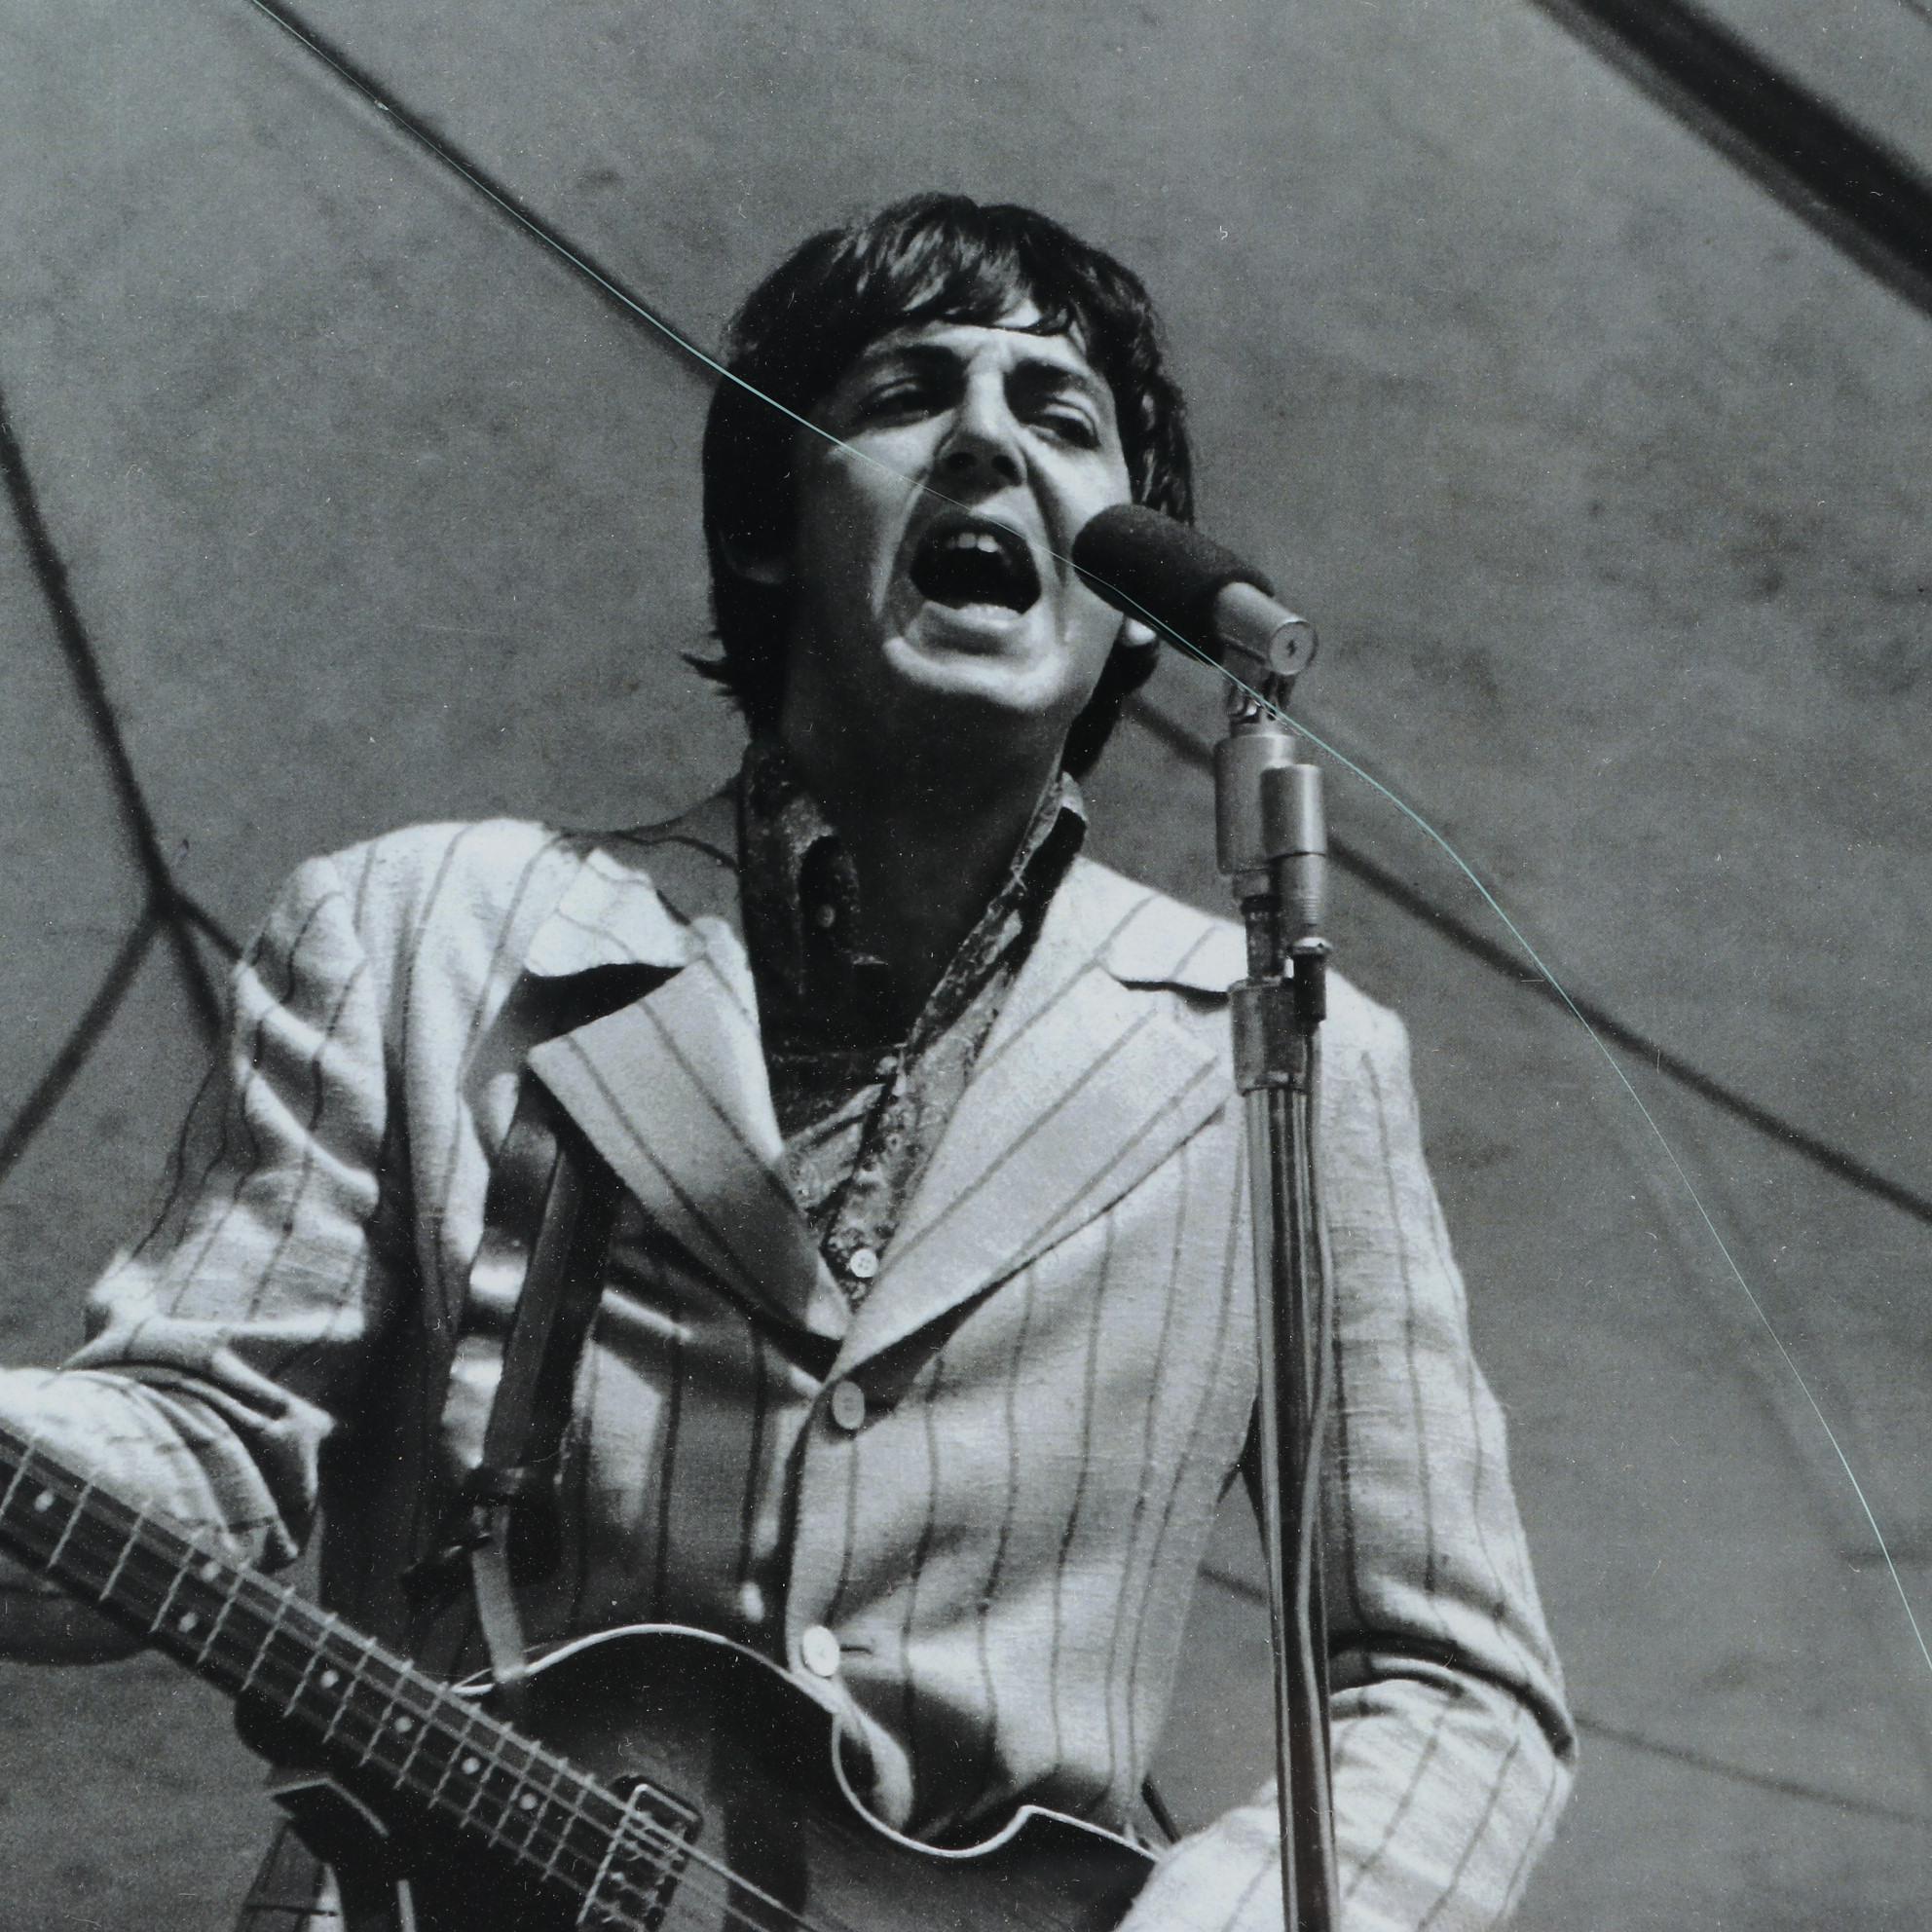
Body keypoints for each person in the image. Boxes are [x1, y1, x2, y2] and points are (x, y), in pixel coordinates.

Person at [0, 193, 1574, 1929]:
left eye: (1060, 421)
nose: (987, 440)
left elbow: (1453, 1682)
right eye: (907, 396)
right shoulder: (417, 932)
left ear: (1137, 607)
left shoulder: (1284, 1054)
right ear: (768, 530)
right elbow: (197, 1441)